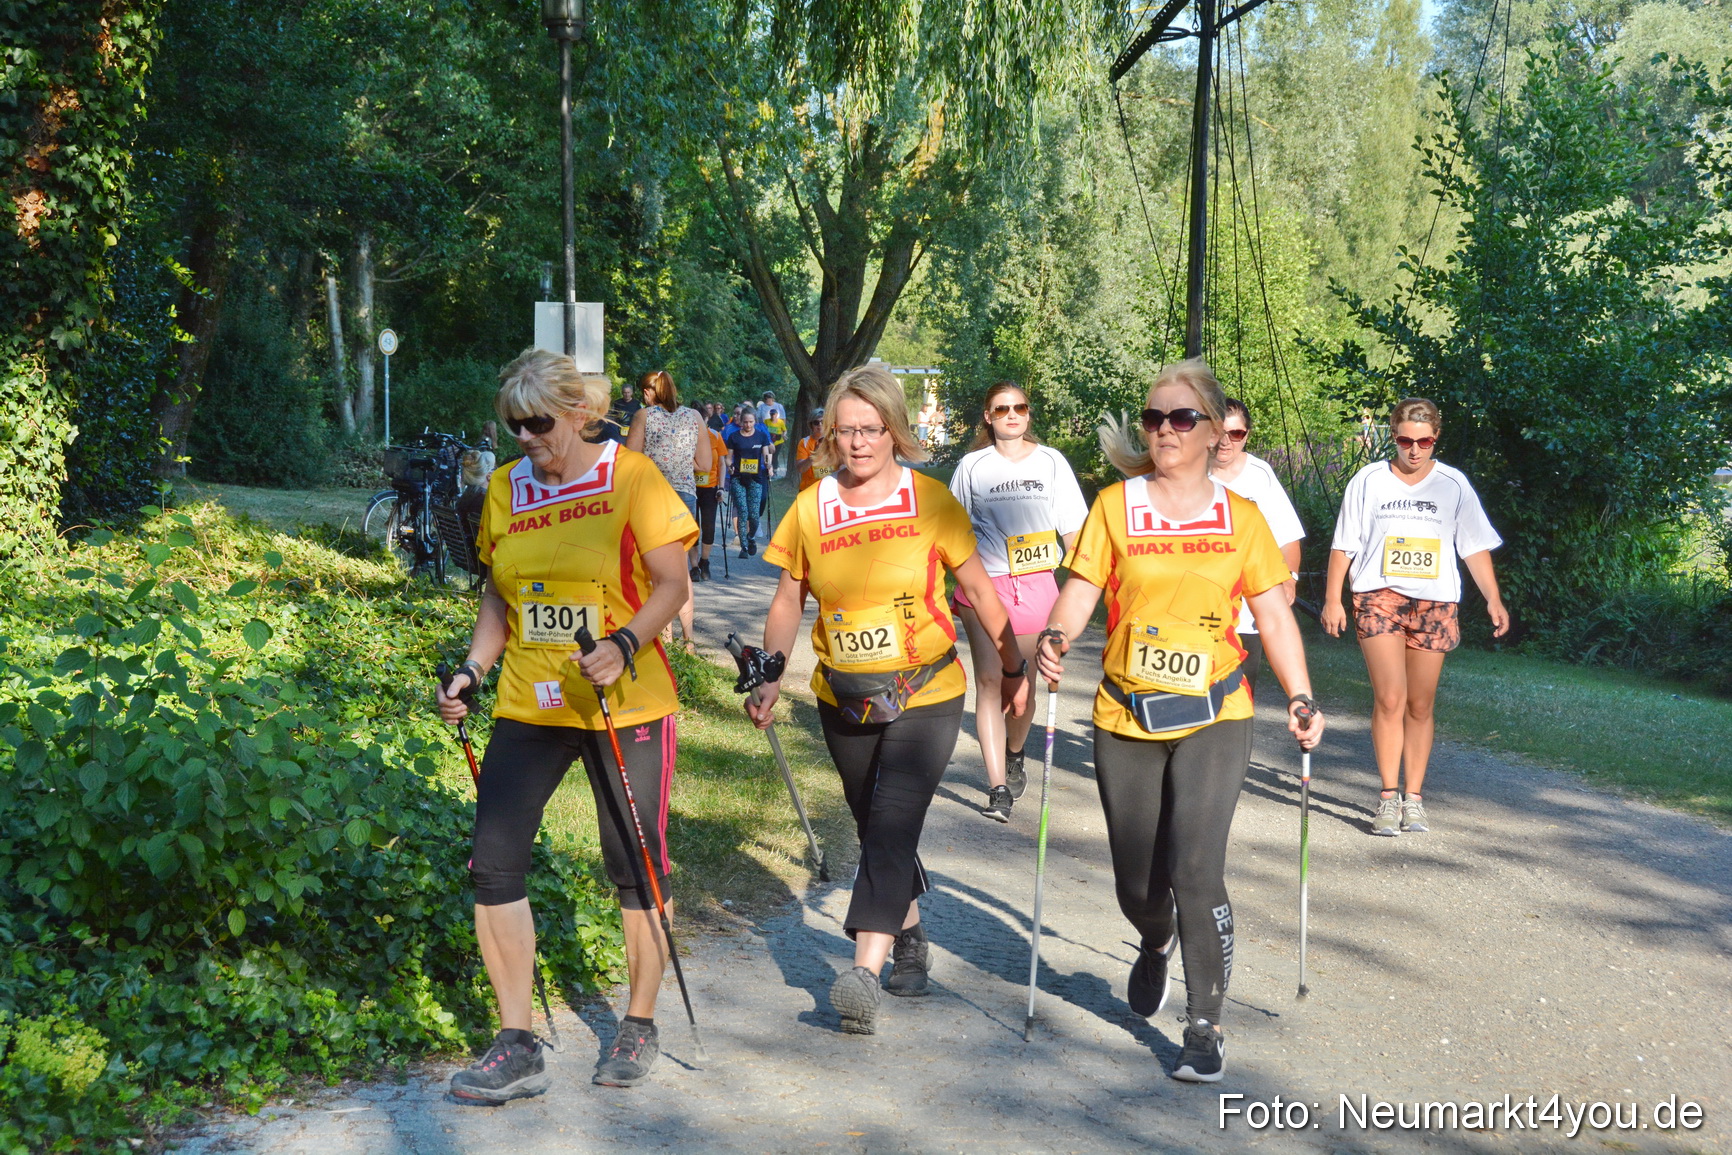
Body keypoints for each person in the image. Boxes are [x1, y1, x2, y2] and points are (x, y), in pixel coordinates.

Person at [1036, 358, 1323, 1084]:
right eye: (1154, 418)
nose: (1165, 430)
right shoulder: (1114, 506)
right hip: (1124, 714)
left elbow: (1275, 616)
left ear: (1213, 429)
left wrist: (1299, 693)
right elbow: (1078, 591)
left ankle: (1205, 1023)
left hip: (1215, 711)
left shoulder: (1242, 517)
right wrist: (1055, 637)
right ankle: (1153, 940)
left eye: (1181, 418)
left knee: (1196, 866)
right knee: (1140, 885)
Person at [435, 349, 697, 1099]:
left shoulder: (632, 477)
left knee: (634, 860)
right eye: (514, 425)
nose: (526, 437)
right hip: (530, 696)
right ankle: (516, 1042)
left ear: (577, 412)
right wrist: (472, 669)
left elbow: (674, 583)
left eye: (539, 422)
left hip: (625, 698)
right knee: (493, 860)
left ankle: (639, 1021)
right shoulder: (504, 488)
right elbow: (498, 595)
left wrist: (622, 644)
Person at [747, 363, 1028, 1034]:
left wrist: (1014, 664)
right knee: (876, 827)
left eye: (871, 429)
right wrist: (769, 672)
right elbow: (790, 595)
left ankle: (862, 973)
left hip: (926, 689)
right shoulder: (813, 505)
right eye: (845, 431)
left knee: (894, 820)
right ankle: (909, 934)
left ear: (895, 430)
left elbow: (981, 591)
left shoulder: (930, 500)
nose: (858, 443)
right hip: (844, 696)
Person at [1320, 398, 1507, 836]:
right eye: (1405, 440)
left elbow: (1473, 546)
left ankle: (1414, 798)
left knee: (1420, 705)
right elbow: (1344, 543)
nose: (1414, 449)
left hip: (1435, 603)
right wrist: (1332, 598)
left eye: (1423, 441)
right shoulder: (1367, 481)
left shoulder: (1453, 485)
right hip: (1378, 596)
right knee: (1390, 698)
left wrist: (1493, 599)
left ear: (1435, 437)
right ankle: (1387, 797)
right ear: (1393, 435)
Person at [948, 381, 1088, 821]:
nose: (1012, 414)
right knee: (990, 681)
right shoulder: (972, 466)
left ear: (1029, 414)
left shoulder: (1051, 462)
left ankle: (1014, 751)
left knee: (1023, 691)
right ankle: (997, 788)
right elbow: (950, 529)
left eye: (1020, 407)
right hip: (984, 586)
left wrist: (1088, 578)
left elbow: (1075, 531)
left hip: (1037, 585)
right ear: (987, 417)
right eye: (1001, 408)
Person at [1210, 398, 1305, 696]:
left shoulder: (1260, 474)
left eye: (1236, 434)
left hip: (1248, 609)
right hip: (1201, 600)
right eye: (1219, 432)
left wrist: (1290, 578)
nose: (1226, 442)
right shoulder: (1189, 472)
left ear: (1247, 435)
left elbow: (1287, 536)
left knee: (1240, 694)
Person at [628, 370, 711, 647]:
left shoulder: (643, 416)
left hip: (653, 496)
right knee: (680, 570)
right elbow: (705, 465)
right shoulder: (695, 417)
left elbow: (630, 462)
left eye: (644, 392)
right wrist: (682, 462)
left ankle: (664, 636)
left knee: (654, 569)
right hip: (684, 496)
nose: (643, 397)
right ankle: (689, 640)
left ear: (650, 392)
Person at [725, 408, 774, 555]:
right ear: (741, 422)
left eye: (751, 422)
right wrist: (729, 467)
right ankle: (744, 547)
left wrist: (769, 466)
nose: (748, 425)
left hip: (755, 479)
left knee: (753, 514)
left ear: (755, 421)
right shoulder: (734, 437)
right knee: (742, 511)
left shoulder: (761, 436)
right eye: (745, 422)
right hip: (738, 478)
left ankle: (751, 536)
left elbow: (766, 455)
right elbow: (728, 457)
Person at [693, 417, 727, 581]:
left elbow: (722, 463)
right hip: (690, 488)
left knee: (709, 527)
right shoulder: (685, 436)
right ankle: (693, 567)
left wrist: (721, 487)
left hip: (710, 488)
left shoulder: (715, 436)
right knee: (691, 528)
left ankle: (704, 561)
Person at [793, 411, 826, 491]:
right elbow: (801, 469)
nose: (820, 425)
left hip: (828, 490)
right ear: (811, 425)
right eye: (816, 423)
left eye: (823, 422)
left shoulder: (834, 442)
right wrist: (814, 454)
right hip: (808, 489)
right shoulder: (804, 442)